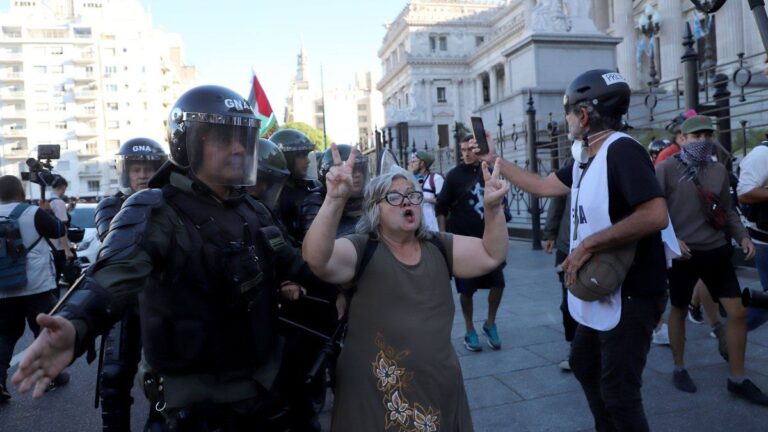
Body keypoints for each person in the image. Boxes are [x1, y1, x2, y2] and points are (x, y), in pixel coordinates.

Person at [11, 85, 323, 431]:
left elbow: (299, 265)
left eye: (242, 138)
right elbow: (113, 273)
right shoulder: (157, 209)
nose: (238, 148)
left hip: (264, 387)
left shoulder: (251, 209)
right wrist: (74, 323)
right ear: (188, 143)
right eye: (222, 138)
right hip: (201, 404)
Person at [473, 69, 671, 431]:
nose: (567, 120)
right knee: (583, 363)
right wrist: (494, 159)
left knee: (620, 393)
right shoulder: (586, 155)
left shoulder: (622, 151)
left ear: (583, 115)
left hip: (632, 291)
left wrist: (588, 246)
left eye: (568, 113)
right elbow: (544, 185)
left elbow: (655, 214)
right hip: (605, 286)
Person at [302, 143, 509, 431]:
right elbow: (316, 259)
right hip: (375, 397)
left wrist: (493, 207)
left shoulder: (439, 246)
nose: (407, 202)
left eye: (412, 195)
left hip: (438, 389)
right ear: (376, 208)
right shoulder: (363, 249)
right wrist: (335, 199)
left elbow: (492, 254)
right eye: (395, 197)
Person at [657, 115, 768, 405]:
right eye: (696, 136)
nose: (703, 140)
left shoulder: (718, 169)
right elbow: (655, 211)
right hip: (683, 253)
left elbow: (729, 210)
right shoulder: (666, 169)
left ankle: (738, 378)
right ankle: (679, 367)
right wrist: (671, 240)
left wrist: (742, 235)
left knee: (739, 312)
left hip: (716, 250)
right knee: (679, 309)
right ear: (683, 138)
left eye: (708, 134)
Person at [94, 138, 167, 431]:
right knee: (113, 378)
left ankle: (159, 423)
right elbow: (113, 245)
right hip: (125, 303)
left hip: (162, 303)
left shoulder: (171, 206)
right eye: (135, 169)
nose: (142, 175)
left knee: (163, 377)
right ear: (125, 172)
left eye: (148, 168)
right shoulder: (111, 205)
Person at [435, 134, 508, 352]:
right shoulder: (454, 176)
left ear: (478, 150)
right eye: (463, 150)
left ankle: (490, 323)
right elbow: (441, 207)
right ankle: (469, 329)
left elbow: (502, 204)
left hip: (488, 241)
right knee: (467, 290)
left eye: (470, 149)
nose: (465, 153)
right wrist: (443, 237)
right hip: (463, 243)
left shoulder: (489, 172)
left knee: (498, 284)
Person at [0, 175, 68, 402]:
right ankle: (48, 377)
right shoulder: (33, 213)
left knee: (5, 334)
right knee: (45, 331)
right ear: (21, 192)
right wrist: (46, 210)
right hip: (36, 286)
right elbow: (59, 230)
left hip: (4, 289)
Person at [302, 144, 369, 239]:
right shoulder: (316, 201)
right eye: (351, 170)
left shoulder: (371, 197)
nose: (357, 174)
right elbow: (315, 243)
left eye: (360, 169)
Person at [542, 191, 577, 371]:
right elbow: (558, 200)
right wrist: (550, 233)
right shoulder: (572, 167)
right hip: (567, 244)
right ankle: (575, 348)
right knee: (569, 301)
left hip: (597, 244)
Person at [738, 140, 768, 331]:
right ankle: (734, 332)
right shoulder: (762, 154)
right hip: (765, 242)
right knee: (765, 304)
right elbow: (745, 192)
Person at [272, 128, 318, 243]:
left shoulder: (311, 187)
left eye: (307, 155)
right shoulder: (273, 194)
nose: (307, 161)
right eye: (302, 155)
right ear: (286, 157)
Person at [409, 151, 444, 232]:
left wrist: (424, 199)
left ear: (422, 163)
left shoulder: (436, 178)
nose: (411, 164)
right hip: (419, 228)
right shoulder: (413, 180)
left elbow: (442, 201)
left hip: (434, 228)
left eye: (414, 161)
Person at [49, 176, 73, 287]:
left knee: (54, 278)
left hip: (50, 247)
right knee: (71, 278)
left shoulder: (47, 200)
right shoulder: (59, 202)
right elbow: (61, 227)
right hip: (59, 248)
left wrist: (68, 209)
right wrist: (67, 250)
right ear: (62, 187)